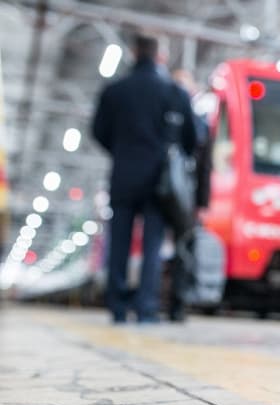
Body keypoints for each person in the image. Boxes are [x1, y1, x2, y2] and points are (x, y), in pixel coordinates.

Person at [92, 33, 196, 323]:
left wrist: (122, 150)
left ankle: (117, 306)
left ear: (134, 53)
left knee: (119, 242)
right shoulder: (174, 92)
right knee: (152, 244)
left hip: (123, 175)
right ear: (159, 56)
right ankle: (146, 307)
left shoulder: (115, 90)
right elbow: (191, 138)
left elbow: (98, 131)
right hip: (159, 181)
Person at [168, 69, 212, 322]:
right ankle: (172, 303)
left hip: (182, 195)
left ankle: (176, 301)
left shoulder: (200, 123)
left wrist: (203, 202)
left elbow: (206, 166)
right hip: (175, 193)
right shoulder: (199, 124)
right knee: (180, 249)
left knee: (183, 250)